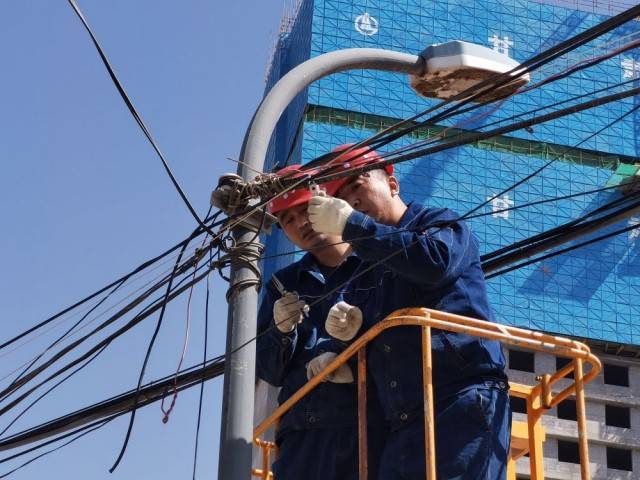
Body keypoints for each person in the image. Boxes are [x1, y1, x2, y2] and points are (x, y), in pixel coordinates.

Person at [307, 145, 511, 479]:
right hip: (402, 418)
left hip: (461, 398)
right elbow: (379, 344)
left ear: (392, 184)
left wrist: (354, 226)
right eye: (341, 198)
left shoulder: (441, 223)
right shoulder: (364, 273)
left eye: (357, 186)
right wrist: (342, 350)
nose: (352, 201)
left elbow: (434, 264)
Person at [256, 164, 385, 480]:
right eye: (287, 219)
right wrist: (282, 332)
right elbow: (268, 370)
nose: (300, 223)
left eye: (304, 209)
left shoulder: (377, 261)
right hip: (304, 434)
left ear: (328, 202)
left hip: (372, 422)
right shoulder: (283, 284)